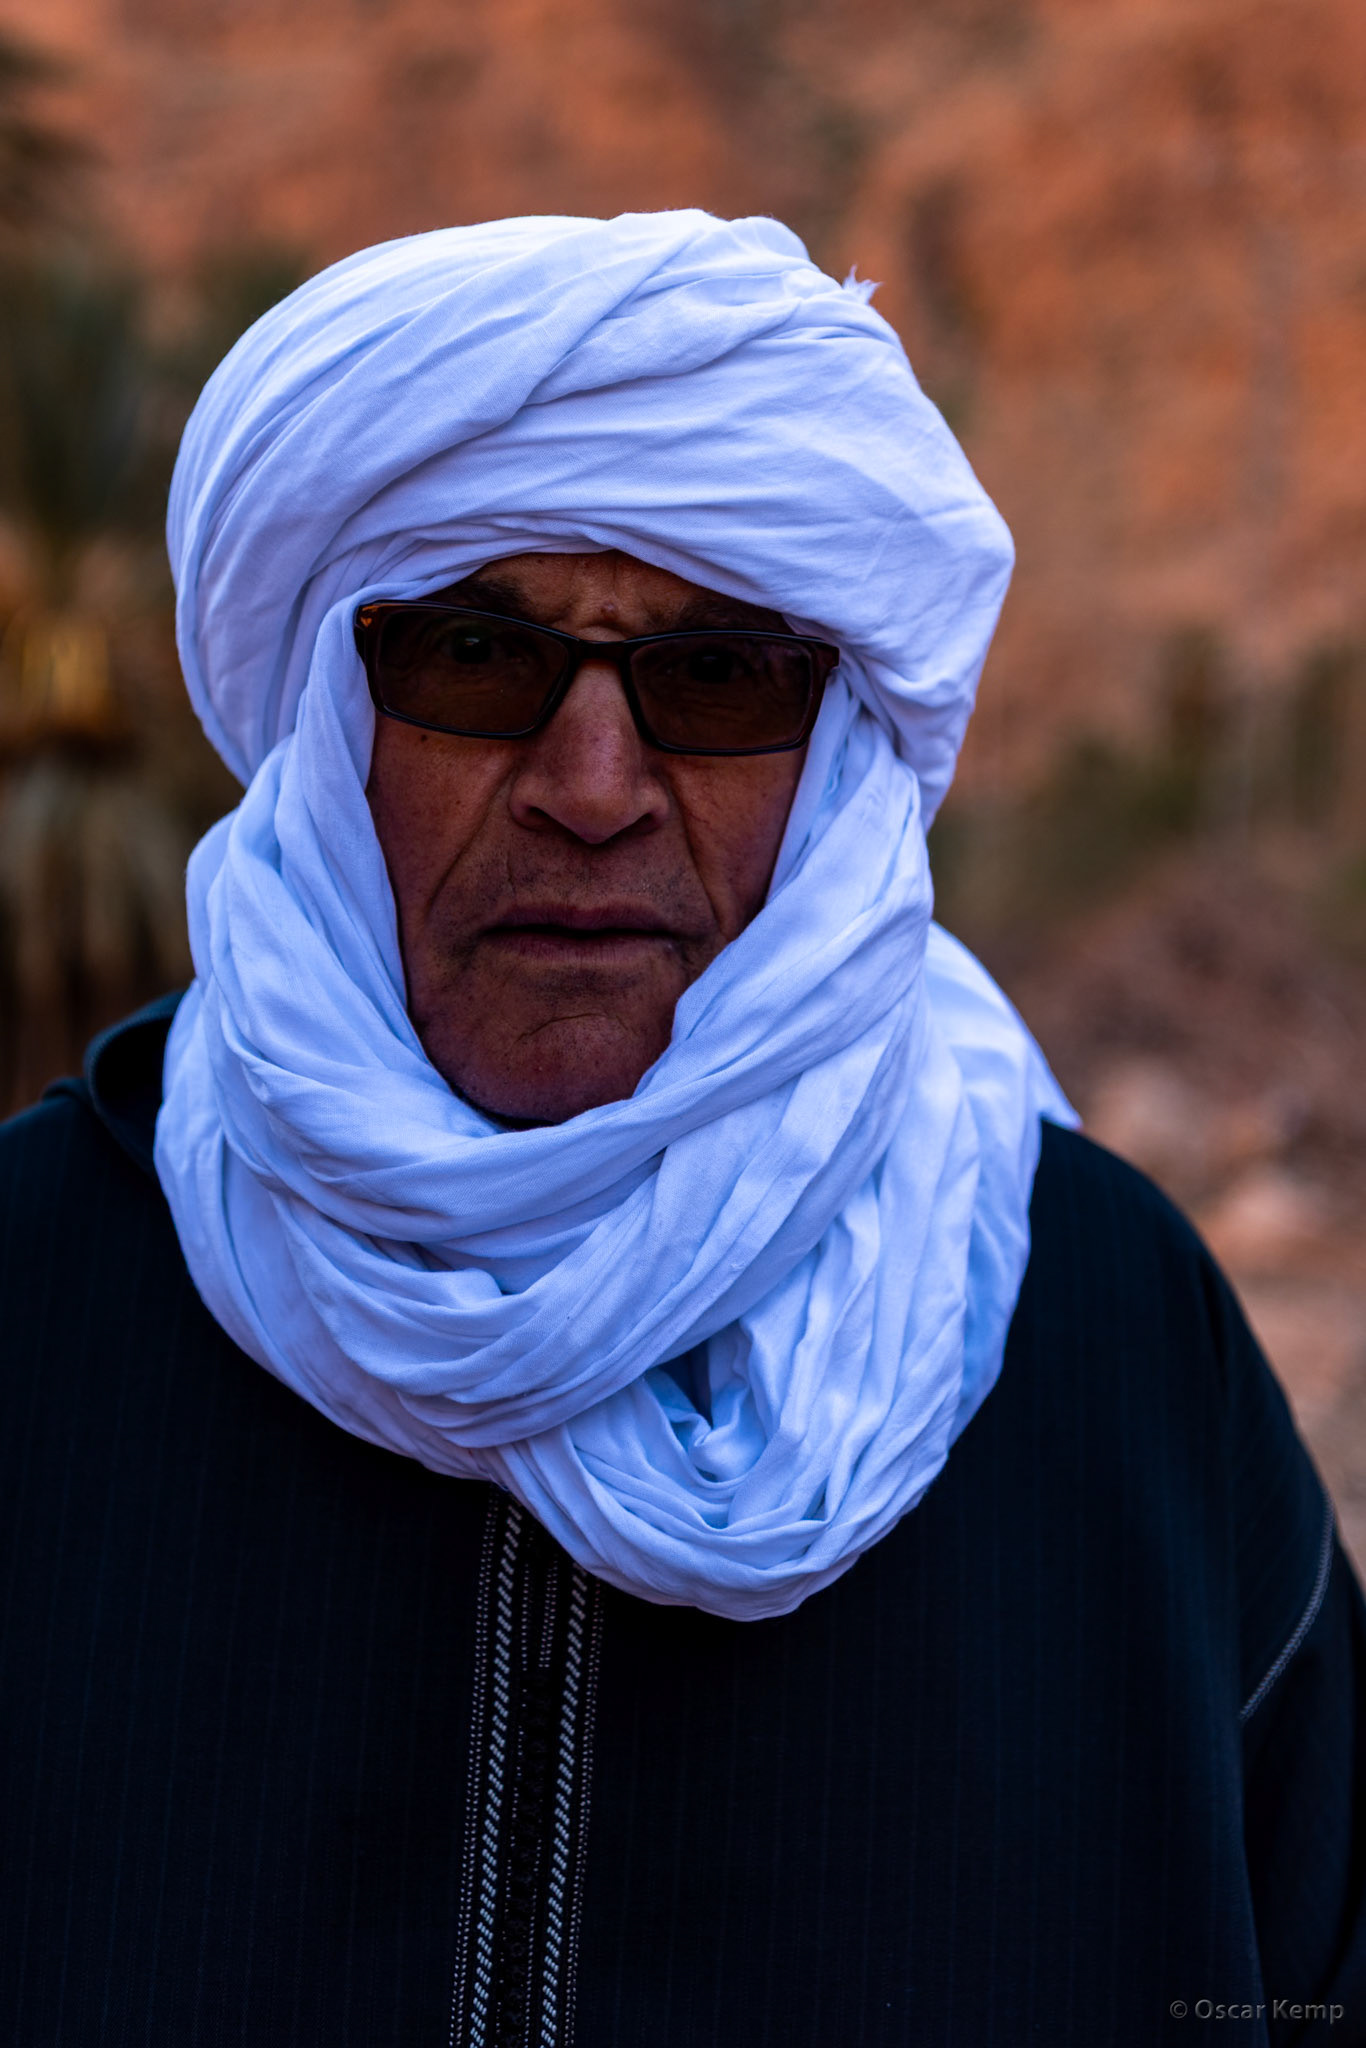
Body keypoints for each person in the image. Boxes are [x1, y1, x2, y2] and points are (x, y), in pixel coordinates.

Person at [1, 210, 1362, 2048]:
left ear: (830, 758)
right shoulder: (34, 1297)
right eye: (478, 657)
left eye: (715, 680)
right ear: (330, 727)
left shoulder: (1110, 1339)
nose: (588, 786)